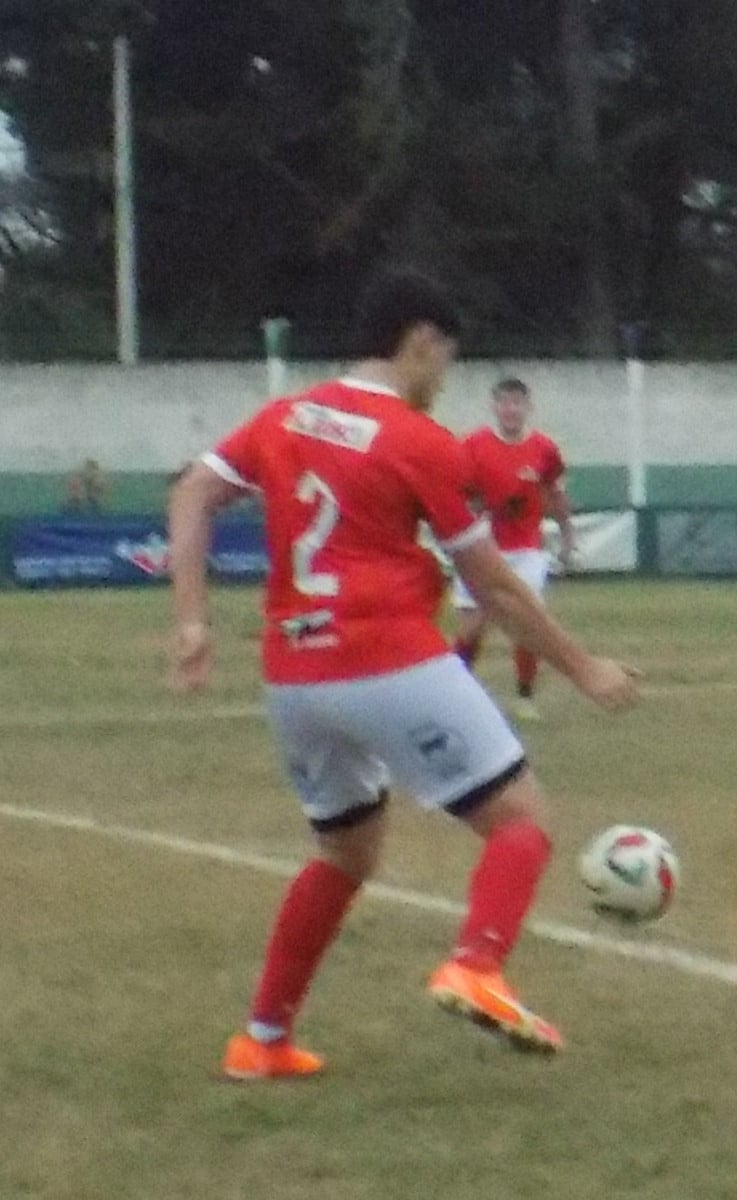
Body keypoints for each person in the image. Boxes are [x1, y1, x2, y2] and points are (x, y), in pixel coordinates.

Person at [166, 267, 640, 1078]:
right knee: (521, 818)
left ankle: (263, 1040)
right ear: (420, 341)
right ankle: (478, 965)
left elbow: (195, 492)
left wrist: (192, 621)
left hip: (294, 678)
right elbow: (490, 582)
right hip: (385, 656)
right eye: (445, 361)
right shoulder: (421, 442)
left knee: (346, 855)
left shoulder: (286, 416)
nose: (443, 381)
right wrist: (582, 665)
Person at [452, 378, 575, 722]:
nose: (510, 410)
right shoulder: (473, 445)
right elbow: (456, 493)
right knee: (472, 629)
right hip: (480, 549)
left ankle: (524, 696)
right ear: (494, 407)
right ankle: (456, 696)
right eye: (504, 403)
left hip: (526, 551)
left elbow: (556, 495)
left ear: (527, 408)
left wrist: (567, 538)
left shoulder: (544, 449)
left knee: (527, 621)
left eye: (517, 403)